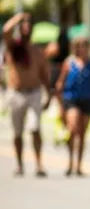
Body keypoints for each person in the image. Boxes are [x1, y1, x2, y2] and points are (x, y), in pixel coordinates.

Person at [3, 12, 51, 177]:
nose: (26, 28)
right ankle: (19, 164)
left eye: (28, 26)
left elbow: (44, 74)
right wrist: (18, 18)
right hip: (16, 94)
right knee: (17, 132)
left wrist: (49, 95)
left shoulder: (36, 51)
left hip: (34, 93)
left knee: (35, 128)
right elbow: (5, 31)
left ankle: (38, 164)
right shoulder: (13, 47)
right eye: (24, 26)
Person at [55, 36, 90, 176]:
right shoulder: (69, 62)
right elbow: (61, 82)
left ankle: (78, 166)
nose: (82, 48)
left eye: (85, 45)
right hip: (71, 99)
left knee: (82, 134)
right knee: (73, 128)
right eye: (80, 45)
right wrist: (58, 100)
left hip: (88, 99)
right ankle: (70, 161)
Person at [45, 26, 71, 146]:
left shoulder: (55, 46)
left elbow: (46, 55)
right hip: (65, 73)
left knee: (60, 104)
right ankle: (64, 128)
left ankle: (62, 129)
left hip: (56, 73)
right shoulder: (68, 46)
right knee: (63, 105)